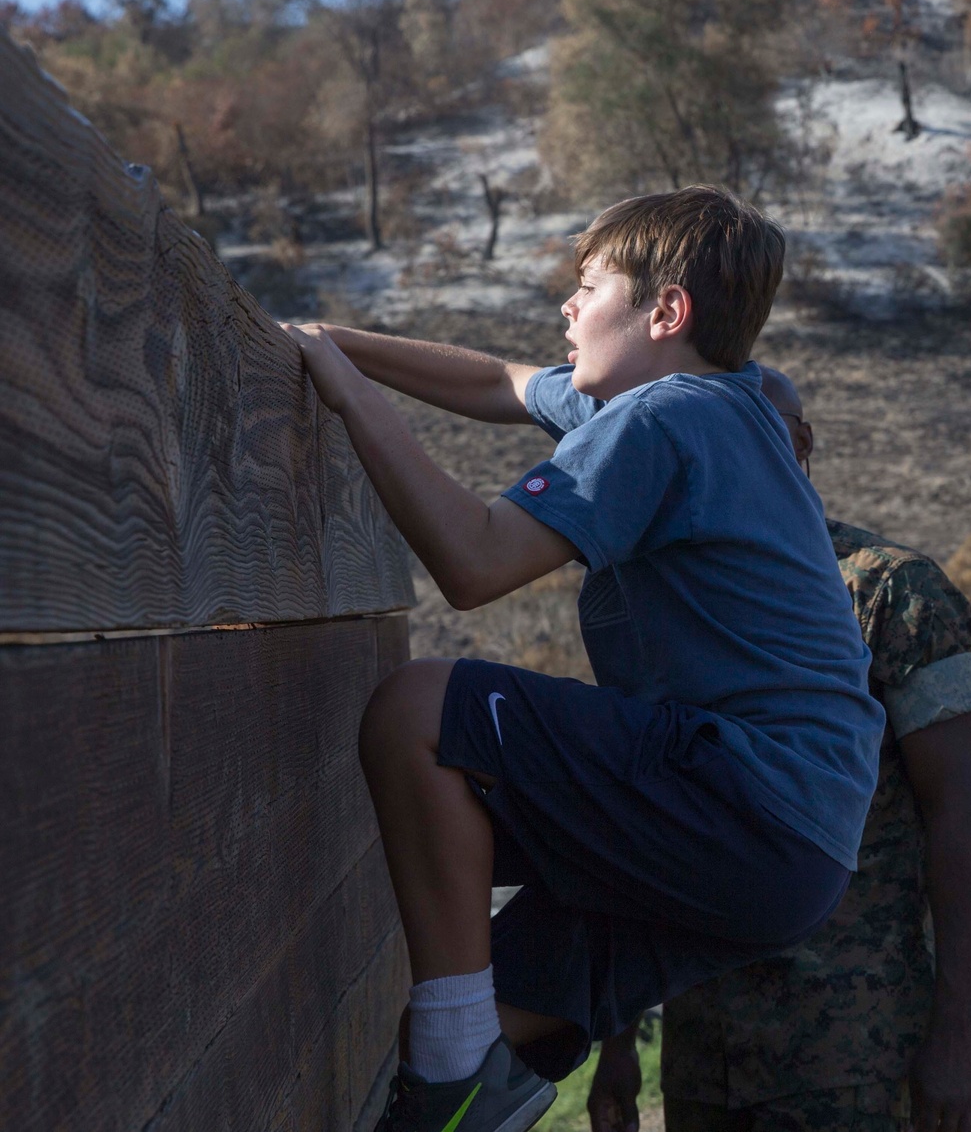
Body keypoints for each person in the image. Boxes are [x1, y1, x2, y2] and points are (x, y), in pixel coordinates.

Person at [280, 187, 885, 1132]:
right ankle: (455, 1086)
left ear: (666, 312)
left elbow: (475, 564)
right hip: (798, 849)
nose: (567, 306)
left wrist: (344, 391)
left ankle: (452, 1071)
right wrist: (332, 339)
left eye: (588, 285)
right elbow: (501, 382)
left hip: (742, 793)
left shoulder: (664, 419)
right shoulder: (726, 402)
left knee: (417, 716)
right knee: (492, 1027)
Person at [586, 367, 971, 1132]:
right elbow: (640, 834)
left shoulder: (890, 593)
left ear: (799, 442)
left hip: (853, 1054)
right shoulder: (670, 604)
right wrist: (617, 1042)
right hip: (705, 1050)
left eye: (748, 430)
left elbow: (961, 820)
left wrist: (956, 1036)